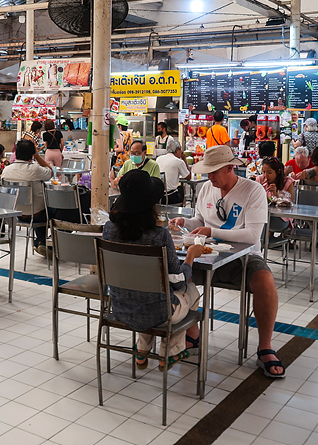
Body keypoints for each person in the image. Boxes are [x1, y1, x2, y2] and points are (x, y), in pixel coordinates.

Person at [168, 146, 284, 378]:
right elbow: (199, 219)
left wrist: (212, 230)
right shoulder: (206, 189)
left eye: (214, 172)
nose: (209, 176)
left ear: (231, 168)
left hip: (243, 256)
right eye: (207, 172)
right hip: (205, 253)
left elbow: (252, 235)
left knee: (265, 280)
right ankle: (193, 334)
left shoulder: (253, 191)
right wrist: (186, 222)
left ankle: (265, 347)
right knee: (175, 275)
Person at [104, 170, 203, 371]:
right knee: (191, 291)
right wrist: (191, 256)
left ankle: (142, 349)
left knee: (145, 293)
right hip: (158, 314)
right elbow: (178, 282)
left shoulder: (108, 229)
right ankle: (170, 351)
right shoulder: (159, 236)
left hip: (120, 308)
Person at [1, 139, 53, 255]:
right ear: (32, 154)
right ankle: (49, 243)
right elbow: (50, 172)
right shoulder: (35, 169)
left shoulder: (6, 170)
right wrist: (38, 156)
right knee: (60, 211)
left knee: (36, 206)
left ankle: (41, 241)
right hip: (36, 214)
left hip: (15, 213)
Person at [156, 140, 190, 205]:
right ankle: (180, 208)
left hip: (159, 196)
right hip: (171, 197)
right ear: (177, 150)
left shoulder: (158, 159)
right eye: (180, 150)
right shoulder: (179, 162)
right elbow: (188, 177)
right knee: (182, 188)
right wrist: (184, 159)